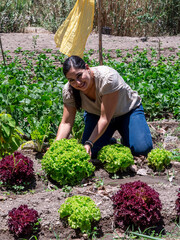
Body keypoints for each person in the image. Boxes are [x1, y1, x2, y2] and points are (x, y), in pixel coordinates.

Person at [56, 55, 153, 158]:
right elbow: (66, 122)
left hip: (127, 113)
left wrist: (89, 142)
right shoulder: (69, 90)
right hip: (97, 116)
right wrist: (56, 147)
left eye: (79, 75)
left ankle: (128, 136)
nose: (78, 82)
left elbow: (105, 118)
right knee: (91, 153)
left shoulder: (107, 78)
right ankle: (108, 140)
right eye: (72, 80)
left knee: (142, 149)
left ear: (87, 68)